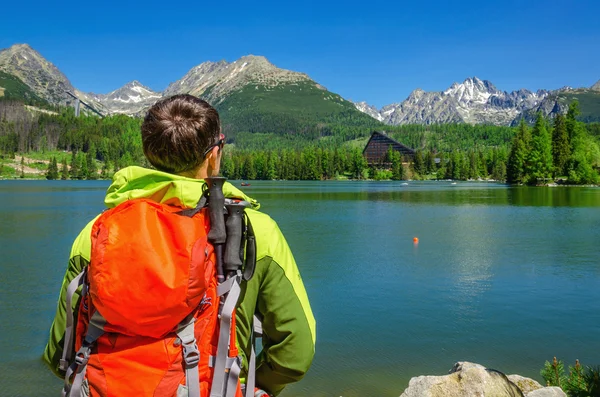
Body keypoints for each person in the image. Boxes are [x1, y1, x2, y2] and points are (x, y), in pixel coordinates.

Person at [43, 94, 316, 396]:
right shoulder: (254, 230)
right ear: (215, 154)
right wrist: (251, 386)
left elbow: (60, 352)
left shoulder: (97, 232)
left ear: (149, 155)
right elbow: (295, 353)